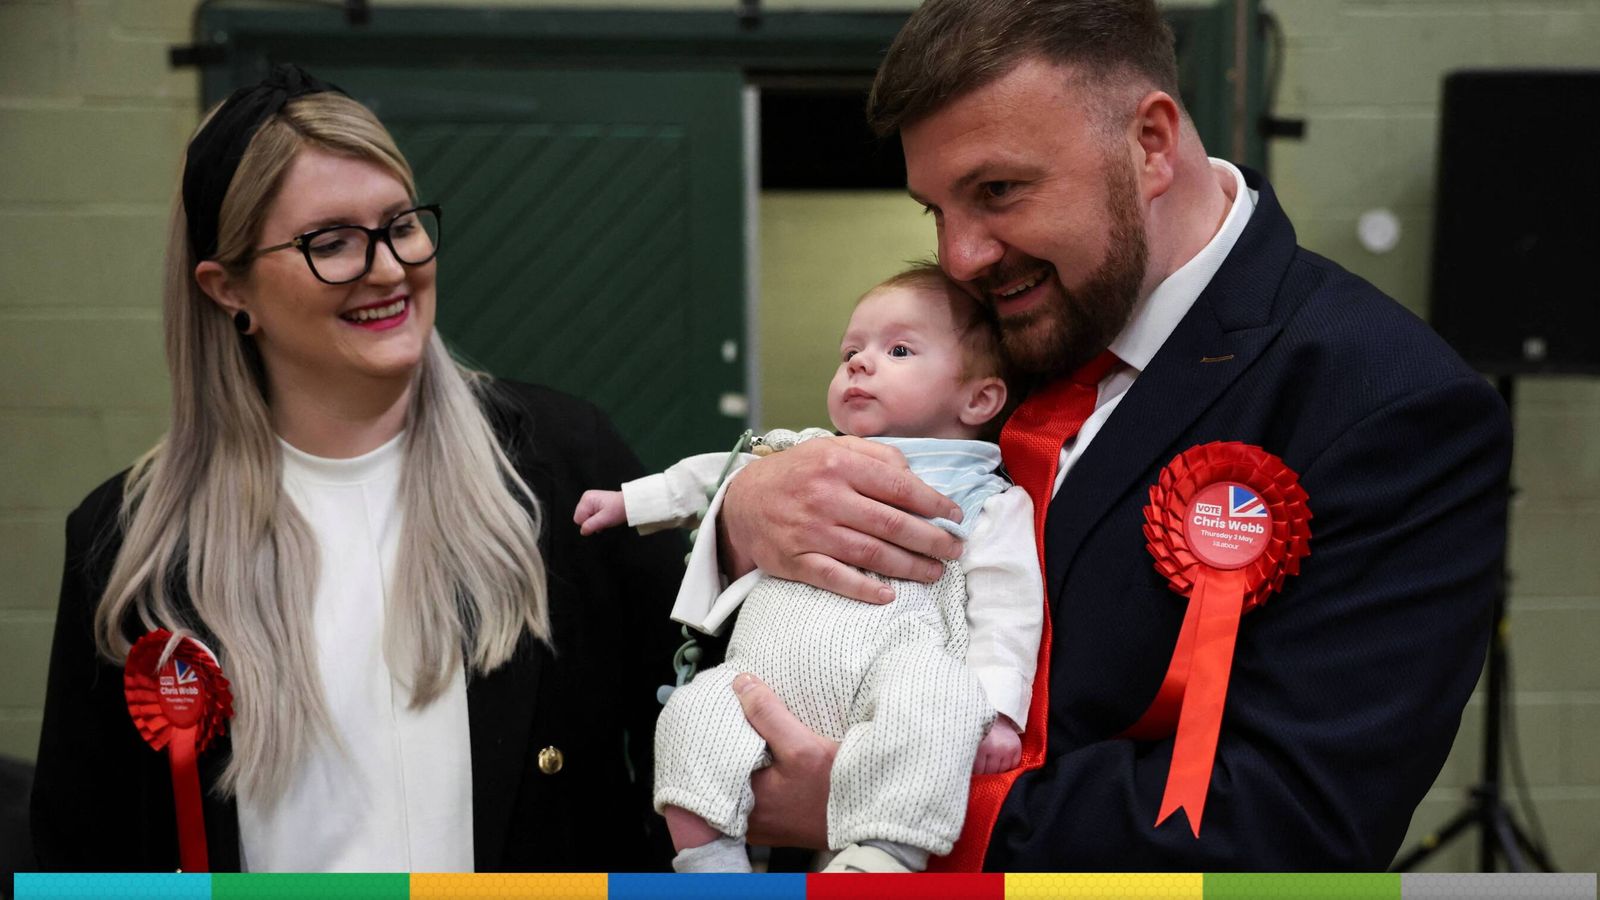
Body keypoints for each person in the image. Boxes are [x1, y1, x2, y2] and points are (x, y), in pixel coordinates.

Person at [698, 0, 1512, 871]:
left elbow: (1289, 825)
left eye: (998, 191)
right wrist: (744, 518)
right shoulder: (987, 331)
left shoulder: (1388, 403)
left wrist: (878, 800)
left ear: (1151, 144)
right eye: (936, 209)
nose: (962, 255)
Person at [31, 65, 681, 873]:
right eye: (330, 243)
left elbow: (695, 721)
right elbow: (78, 855)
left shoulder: (561, 463)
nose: (386, 267)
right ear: (228, 288)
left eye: (400, 225)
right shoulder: (130, 542)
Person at [574, 266, 1043, 873]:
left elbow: (1009, 605)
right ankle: (709, 863)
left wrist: (1000, 710)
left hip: (893, 676)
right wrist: (631, 502)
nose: (860, 363)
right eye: (851, 350)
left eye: (898, 349)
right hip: (761, 679)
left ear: (979, 398)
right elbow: (714, 473)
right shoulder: (803, 454)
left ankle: (883, 853)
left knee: (939, 697)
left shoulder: (987, 495)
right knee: (691, 714)